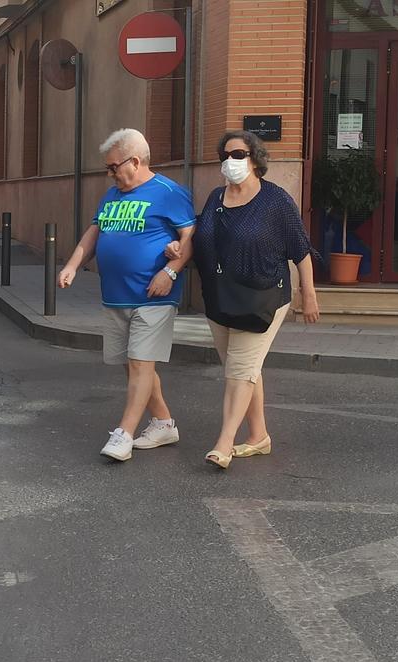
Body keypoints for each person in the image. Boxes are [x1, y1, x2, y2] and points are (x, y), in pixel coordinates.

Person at [58, 129, 196, 462]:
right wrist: (73, 266)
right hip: (116, 296)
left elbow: (190, 236)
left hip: (154, 294)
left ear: (135, 161)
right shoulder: (112, 195)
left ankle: (125, 433)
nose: (110, 173)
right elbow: (93, 234)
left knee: (139, 363)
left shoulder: (168, 192)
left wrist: (171, 271)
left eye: (113, 167)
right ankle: (163, 422)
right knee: (132, 365)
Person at [190, 130, 319, 469]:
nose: (230, 161)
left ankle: (224, 442)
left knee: (239, 372)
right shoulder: (216, 198)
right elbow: (202, 237)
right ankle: (258, 435)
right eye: (226, 155)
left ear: (255, 159)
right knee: (245, 371)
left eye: (238, 154)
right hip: (219, 298)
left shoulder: (274, 201)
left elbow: (300, 250)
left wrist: (308, 293)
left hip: (262, 297)